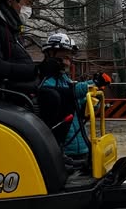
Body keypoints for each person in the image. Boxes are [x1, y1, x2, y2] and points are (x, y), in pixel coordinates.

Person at [39, 32, 112, 161]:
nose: (68, 62)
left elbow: (75, 104)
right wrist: (94, 83)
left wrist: (92, 102)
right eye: (64, 57)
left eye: (69, 57)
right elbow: (69, 93)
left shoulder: (64, 79)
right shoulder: (45, 81)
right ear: (50, 54)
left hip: (80, 146)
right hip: (63, 150)